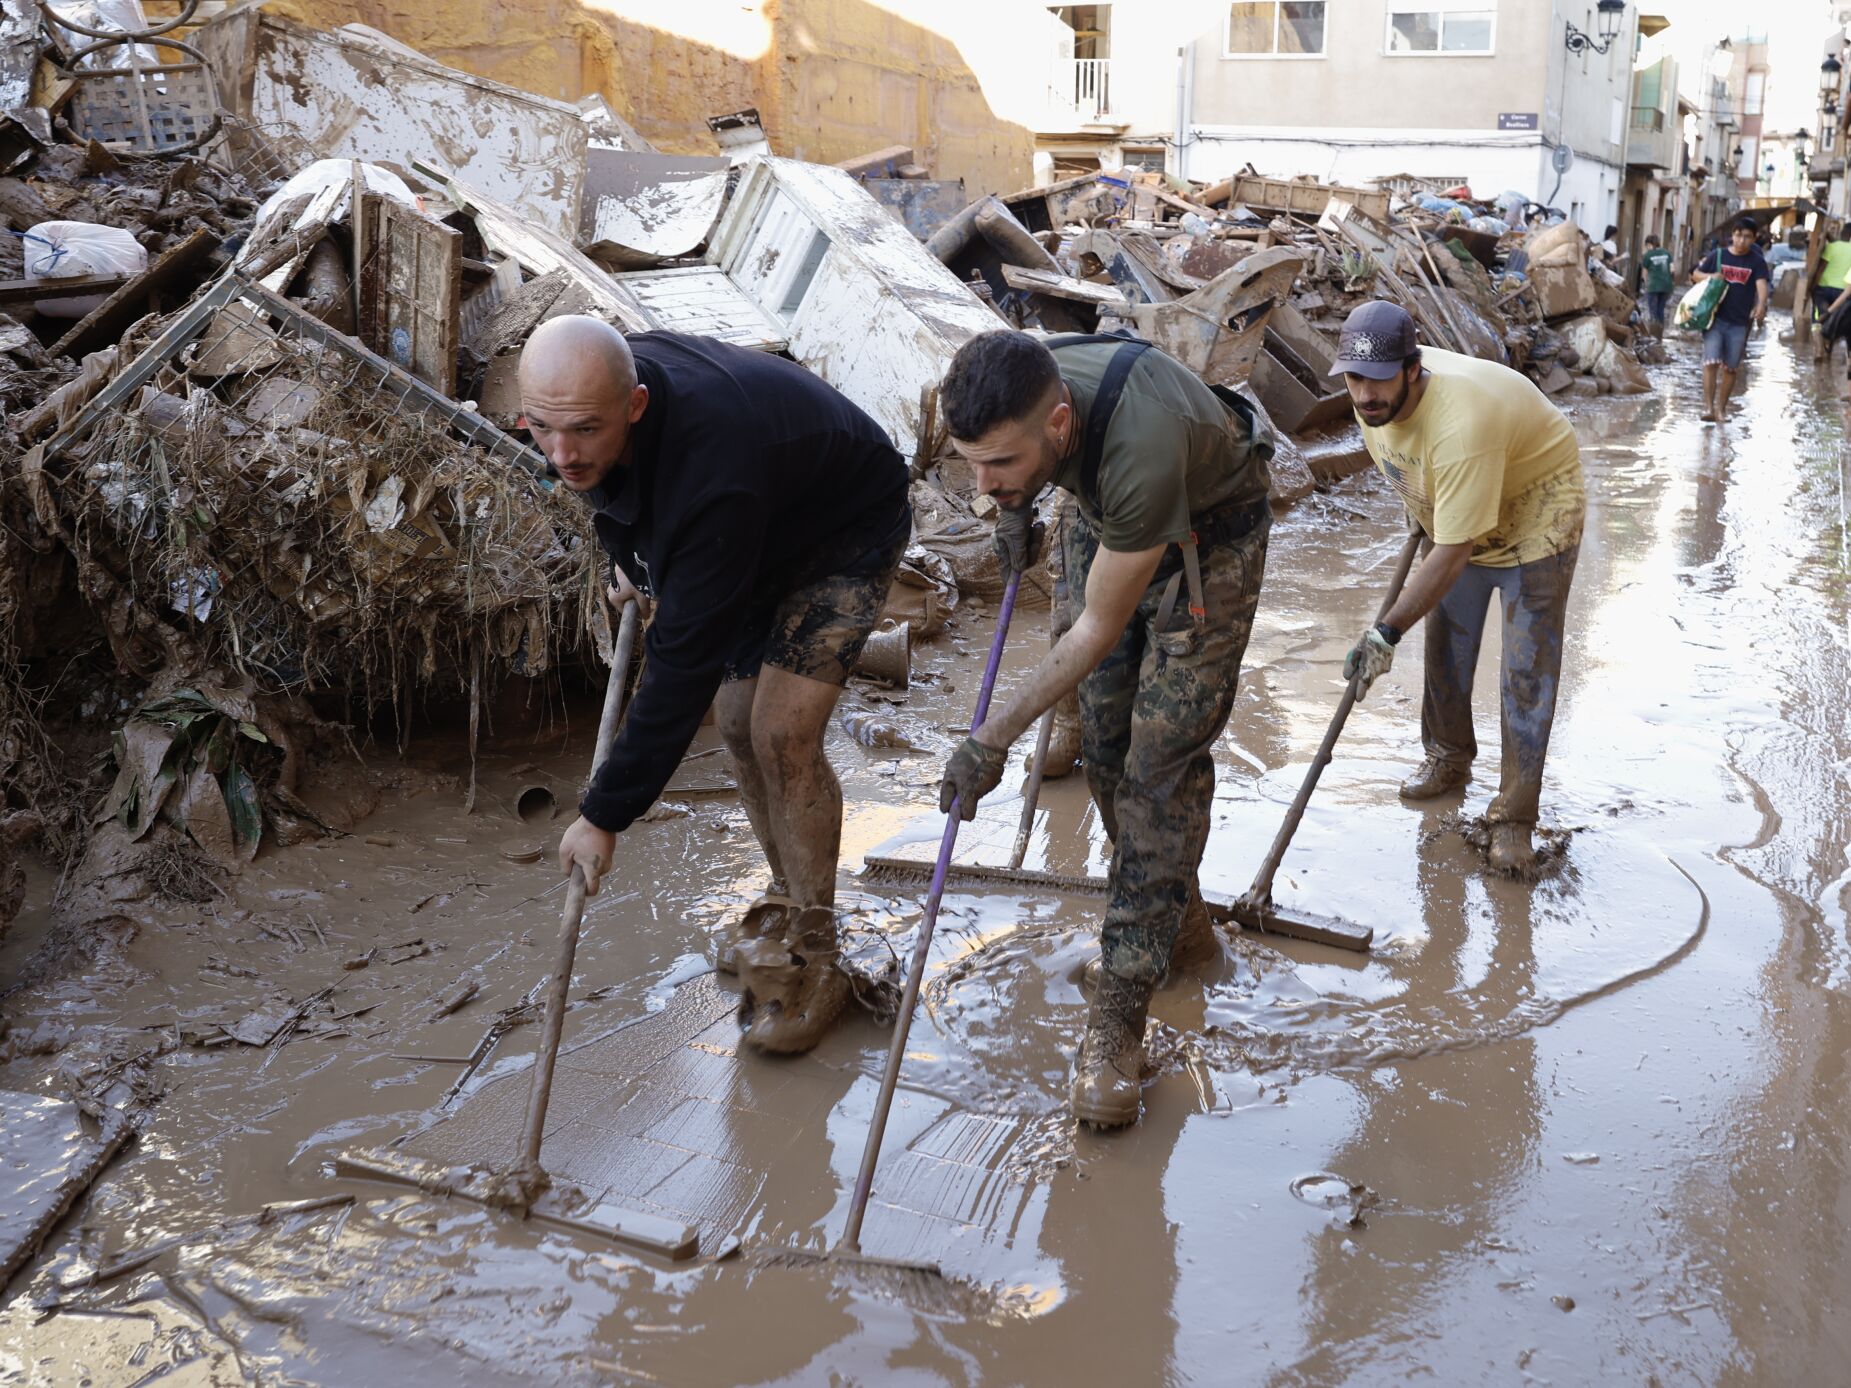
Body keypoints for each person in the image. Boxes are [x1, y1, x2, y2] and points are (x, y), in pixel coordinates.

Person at [520, 316, 910, 1055]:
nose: (561, 452)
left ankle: (819, 951)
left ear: (633, 407)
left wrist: (604, 814)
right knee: (736, 726)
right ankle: (787, 905)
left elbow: (678, 671)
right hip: (756, 527)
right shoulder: (590, 408)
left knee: (781, 734)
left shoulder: (713, 473)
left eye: (583, 430)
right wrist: (632, 558)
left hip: (843, 528)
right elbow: (603, 484)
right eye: (541, 428)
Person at [934, 330, 1272, 1130]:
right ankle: (1177, 932)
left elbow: (1090, 632)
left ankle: (1119, 1017)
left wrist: (991, 738)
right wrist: (1009, 509)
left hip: (1207, 535)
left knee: (1157, 764)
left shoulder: (1142, 447)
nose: (981, 484)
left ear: (1057, 428)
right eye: (969, 465)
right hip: (1104, 507)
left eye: (1000, 467)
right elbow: (1013, 467)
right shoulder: (1017, 392)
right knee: (1104, 741)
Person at [1329, 302, 1584, 875]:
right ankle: (1447, 759)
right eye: (1353, 379)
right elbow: (1414, 472)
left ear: (1413, 370)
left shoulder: (1462, 423)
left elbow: (1452, 552)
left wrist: (1385, 632)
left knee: (1526, 668)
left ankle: (1514, 818)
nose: (1364, 394)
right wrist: (1423, 509)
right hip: (1460, 506)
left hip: (1537, 507)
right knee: (1446, 645)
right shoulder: (1372, 407)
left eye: (1378, 379)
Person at [1692, 219, 1769, 423]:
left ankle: (1721, 409)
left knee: (1731, 367)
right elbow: (1695, 274)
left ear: (1753, 239)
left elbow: (1762, 285)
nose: (1742, 240)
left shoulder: (1756, 261)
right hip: (1714, 319)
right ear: (1732, 235)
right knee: (1710, 363)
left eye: (1747, 237)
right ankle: (1708, 408)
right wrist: (1711, 276)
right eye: (1739, 235)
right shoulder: (1718, 255)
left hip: (1740, 322)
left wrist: (1761, 305)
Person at [1809, 223, 1851, 365]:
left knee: (1818, 319)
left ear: (1842, 233)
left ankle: (1819, 350)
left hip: (1824, 288)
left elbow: (1821, 268)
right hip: (1843, 291)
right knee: (1834, 320)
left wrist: (1812, 287)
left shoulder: (1832, 247)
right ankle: (1828, 350)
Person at [1638, 234, 1674, 337]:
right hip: (1666, 286)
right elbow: (1672, 270)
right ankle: (1660, 334)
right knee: (1660, 310)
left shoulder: (1648, 255)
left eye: (1647, 245)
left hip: (1653, 286)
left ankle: (1654, 335)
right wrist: (1671, 283)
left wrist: (1645, 284)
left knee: (1653, 311)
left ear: (1649, 244)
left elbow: (1644, 272)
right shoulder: (1667, 253)